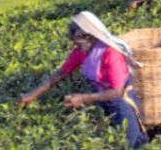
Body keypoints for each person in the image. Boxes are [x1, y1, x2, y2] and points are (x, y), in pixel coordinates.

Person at [20, 11, 148, 148]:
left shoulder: (111, 53)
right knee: (109, 136)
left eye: (78, 43)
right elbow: (60, 74)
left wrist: (83, 98)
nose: (75, 47)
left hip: (121, 100)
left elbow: (117, 92)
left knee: (130, 142)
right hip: (99, 95)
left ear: (90, 37)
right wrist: (32, 95)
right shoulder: (80, 51)